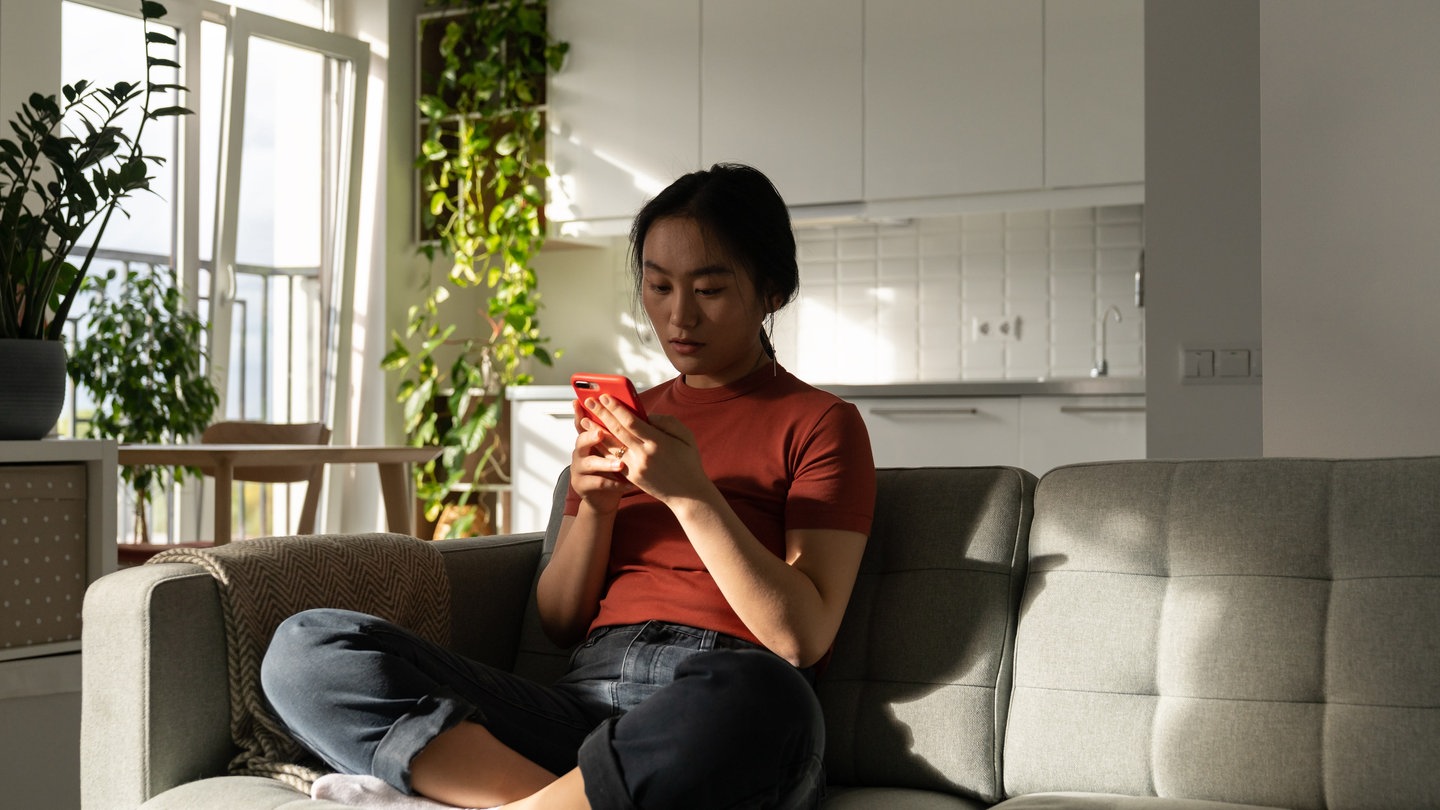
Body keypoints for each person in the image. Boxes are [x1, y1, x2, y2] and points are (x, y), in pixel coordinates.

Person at [261, 163, 877, 810]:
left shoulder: (822, 425)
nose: (678, 315)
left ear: (772, 291)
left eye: (710, 289)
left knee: (767, 693)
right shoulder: (628, 417)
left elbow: (800, 638)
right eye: (658, 286)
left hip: (716, 711)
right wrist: (598, 512)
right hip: (581, 708)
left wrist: (690, 495)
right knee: (305, 651)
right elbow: (559, 622)